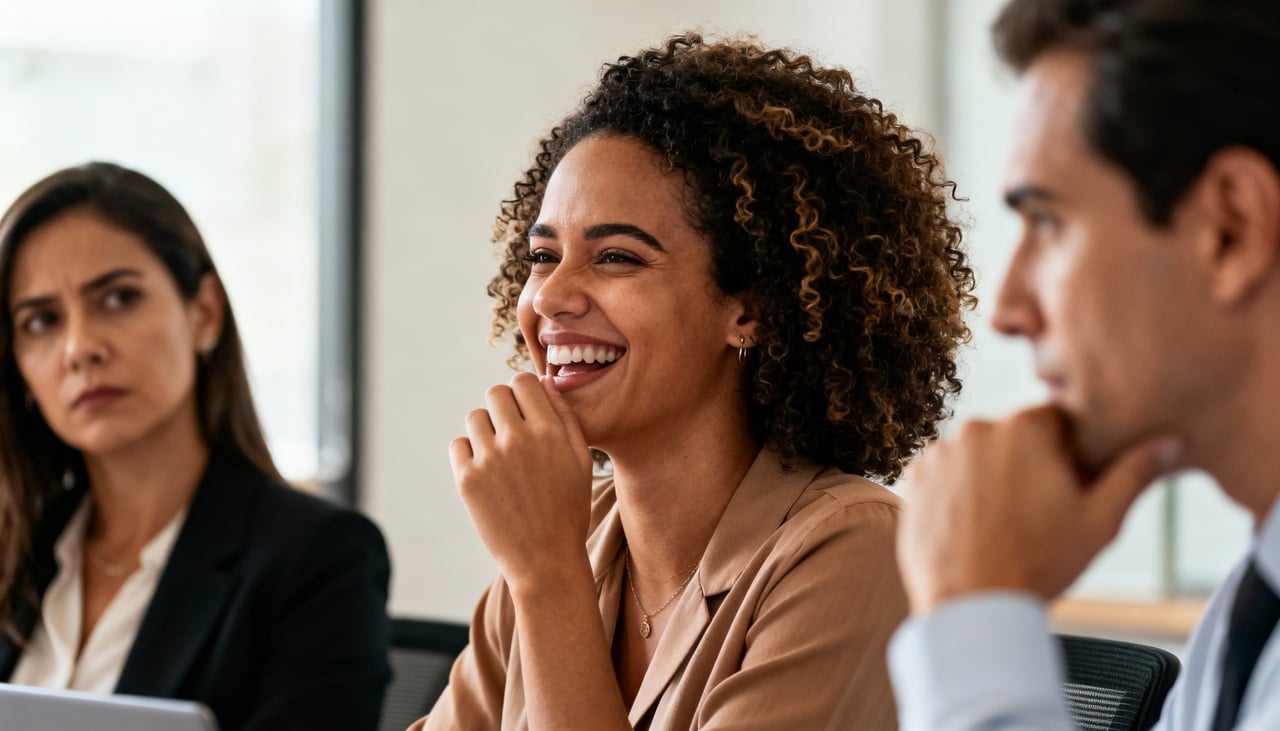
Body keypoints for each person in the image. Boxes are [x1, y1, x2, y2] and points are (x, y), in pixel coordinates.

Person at [416, 33, 975, 730]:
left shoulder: (854, 549)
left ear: (749, 309)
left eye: (616, 256)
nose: (550, 296)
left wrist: (549, 579)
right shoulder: (573, 530)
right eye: (542, 254)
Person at [888, 1, 1280, 729]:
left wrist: (976, 611)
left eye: (1048, 221)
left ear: (1231, 229)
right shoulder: (1248, 611)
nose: (1005, 308)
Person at [0, 162, 392, 730]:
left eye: (117, 299)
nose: (79, 347)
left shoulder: (319, 557)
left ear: (204, 312)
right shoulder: (18, 551)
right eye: (40, 322)